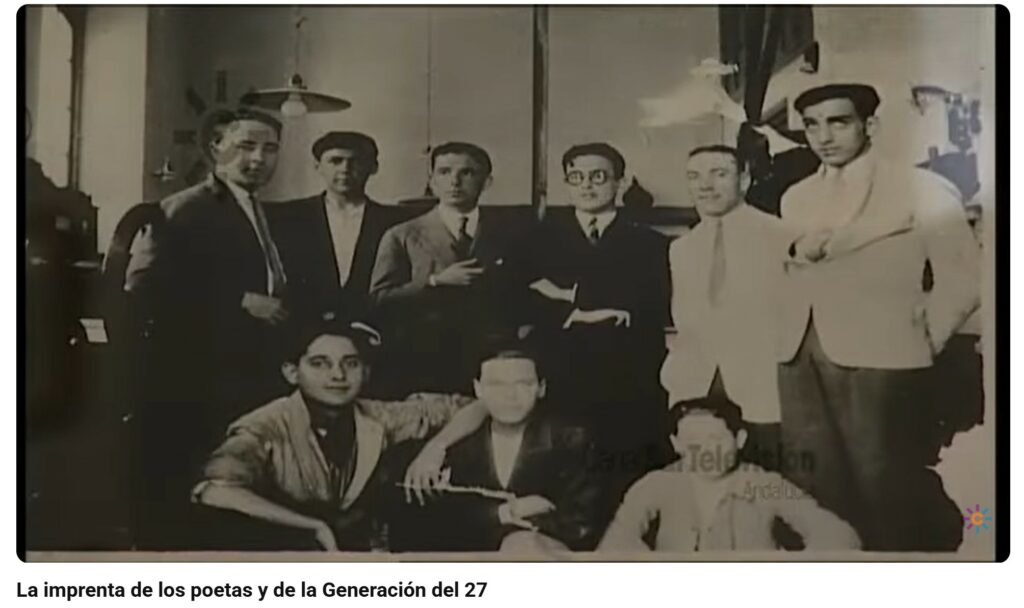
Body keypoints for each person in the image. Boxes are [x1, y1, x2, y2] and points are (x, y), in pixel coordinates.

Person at [778, 83, 979, 551]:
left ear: (870, 125)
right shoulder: (795, 197)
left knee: (887, 490)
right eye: (812, 125)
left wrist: (920, 340)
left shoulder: (923, 188)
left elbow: (964, 279)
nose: (824, 136)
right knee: (814, 491)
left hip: (884, 361)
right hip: (798, 357)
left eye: (838, 122)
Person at [124, 108, 293, 547]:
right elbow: (143, 287)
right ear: (216, 147)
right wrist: (239, 300)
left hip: (245, 376)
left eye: (270, 149)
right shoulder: (187, 207)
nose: (258, 159)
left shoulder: (255, 208)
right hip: (197, 380)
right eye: (246, 146)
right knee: (191, 500)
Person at [191, 320, 479, 551]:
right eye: (319, 363)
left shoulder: (377, 415)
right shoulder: (264, 426)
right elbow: (214, 490)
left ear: (366, 372)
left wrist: (436, 447)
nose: (338, 375)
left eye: (350, 363)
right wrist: (313, 527)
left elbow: (481, 403)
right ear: (292, 372)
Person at [523, 143, 673, 501]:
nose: (587, 185)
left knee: (629, 478)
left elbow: (654, 302)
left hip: (631, 376)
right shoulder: (536, 240)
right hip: (561, 372)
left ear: (619, 181)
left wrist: (564, 292)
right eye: (576, 177)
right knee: (564, 477)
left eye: (598, 177)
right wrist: (579, 311)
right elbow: (515, 297)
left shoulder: (652, 244)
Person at [660, 145, 791, 471]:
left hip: (763, 388)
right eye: (695, 176)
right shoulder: (681, 248)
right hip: (696, 386)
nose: (705, 185)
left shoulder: (780, 234)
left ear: (744, 179)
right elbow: (685, 321)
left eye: (719, 174)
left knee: (765, 479)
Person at [597, 397, 860, 553]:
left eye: (716, 439)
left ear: (739, 439)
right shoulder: (657, 485)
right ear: (676, 444)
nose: (706, 452)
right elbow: (616, 541)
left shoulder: (763, 484)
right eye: (693, 442)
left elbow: (838, 534)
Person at [404, 348, 603, 553]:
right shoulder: (455, 445)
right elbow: (435, 524)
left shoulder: (572, 441)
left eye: (523, 384)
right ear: (478, 390)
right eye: (496, 385)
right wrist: (506, 512)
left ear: (541, 388)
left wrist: (522, 531)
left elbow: (583, 526)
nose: (510, 396)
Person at [369, 142, 527, 396]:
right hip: (424, 356)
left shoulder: (510, 233)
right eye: (444, 172)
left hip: (493, 357)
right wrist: (434, 281)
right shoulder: (402, 234)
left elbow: (523, 293)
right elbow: (379, 299)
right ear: (432, 180)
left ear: (486, 182)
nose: (454, 181)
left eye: (467, 173)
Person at [270, 132, 410, 325]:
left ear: (373, 167)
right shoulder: (285, 216)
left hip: (375, 329)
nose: (345, 169)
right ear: (317, 166)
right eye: (335, 161)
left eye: (356, 161)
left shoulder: (397, 221)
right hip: (302, 328)